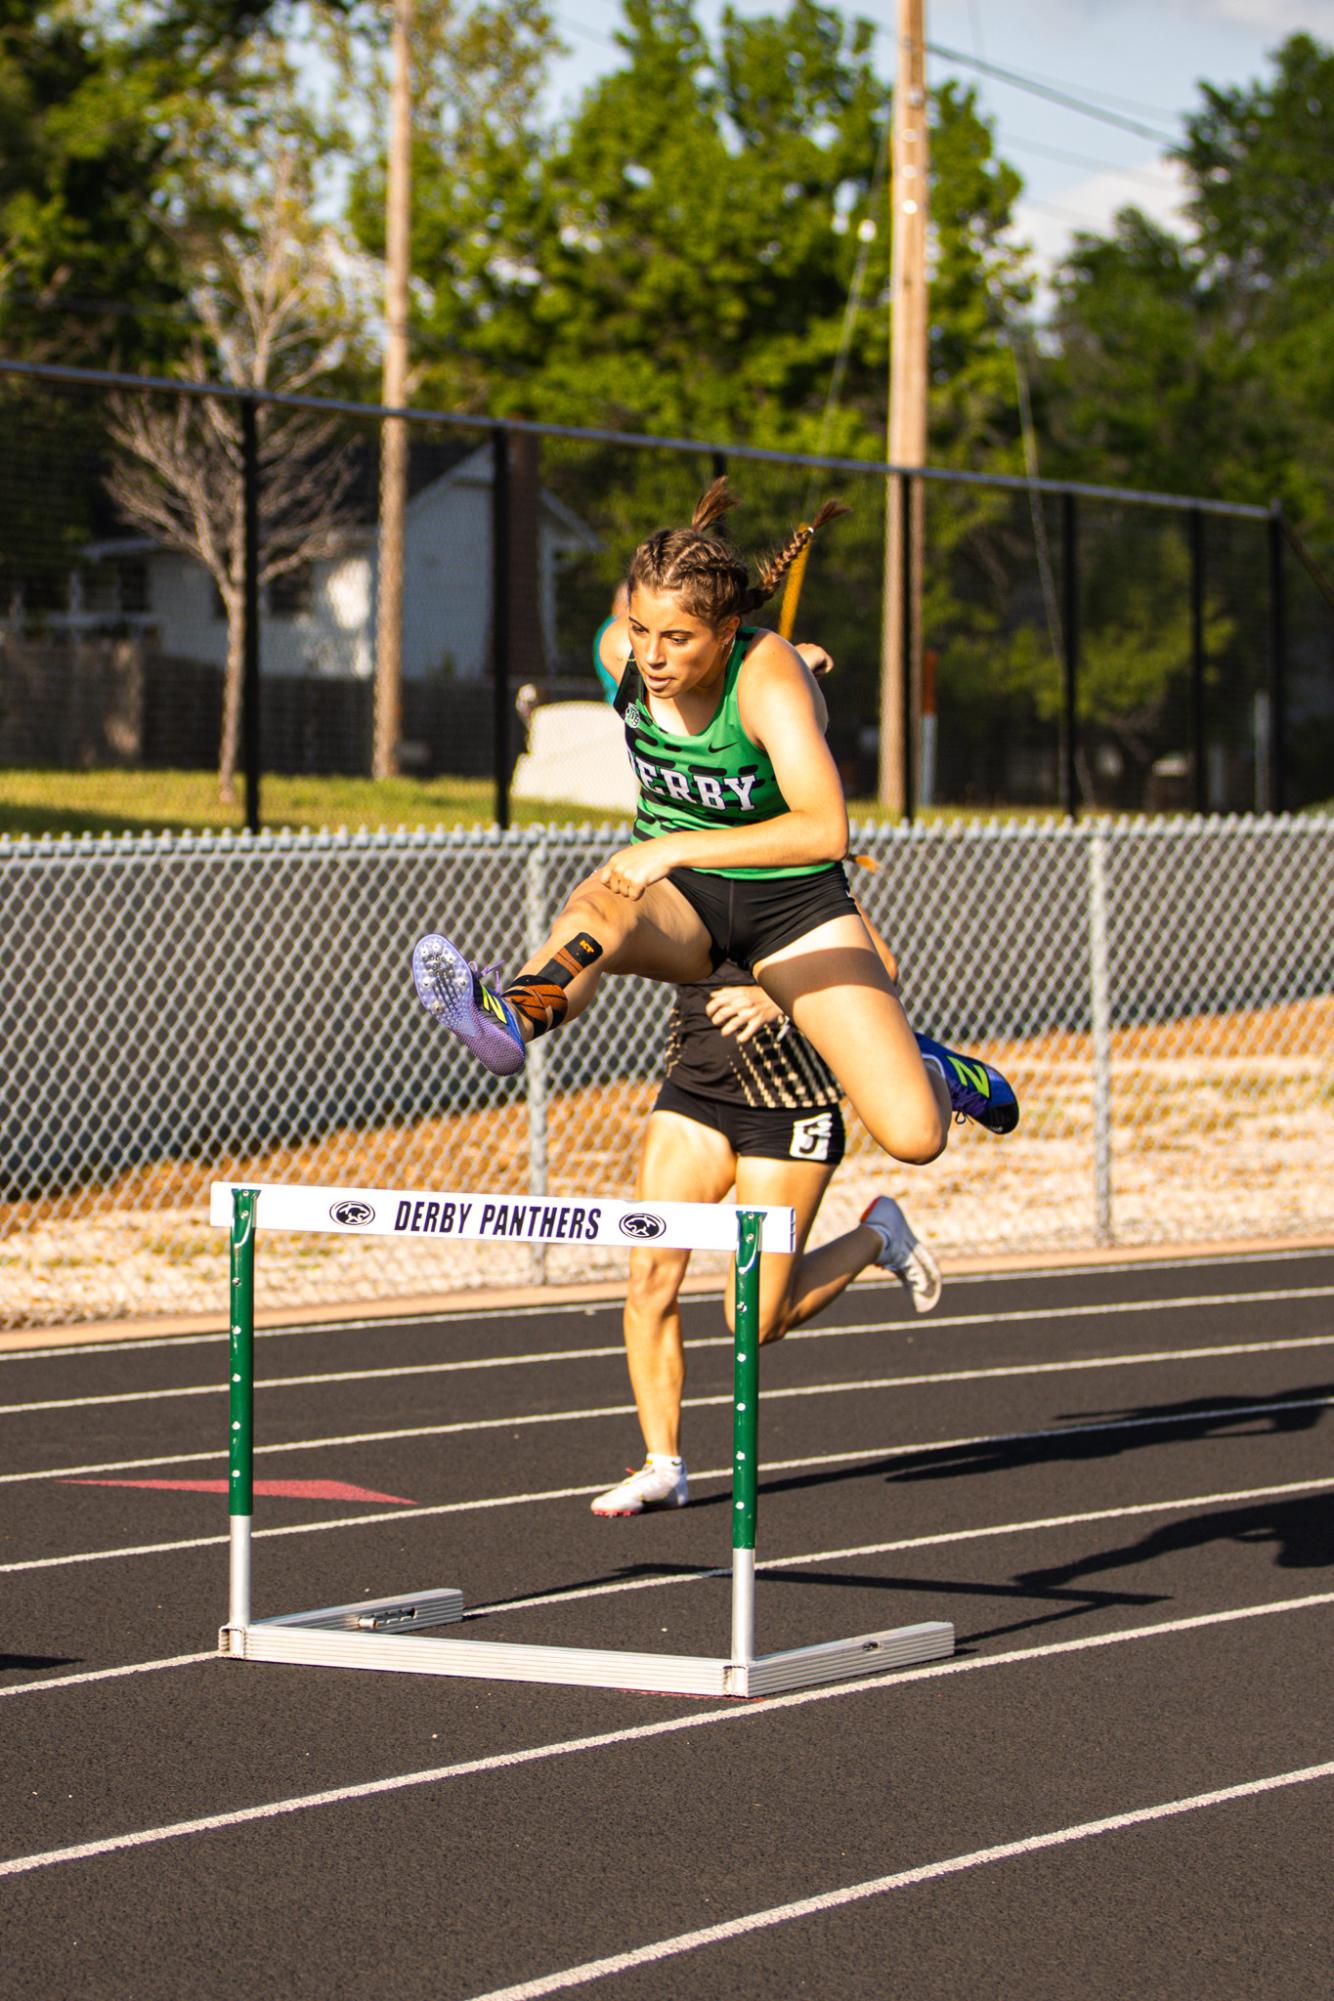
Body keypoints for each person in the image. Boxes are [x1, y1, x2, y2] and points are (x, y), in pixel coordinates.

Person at [412, 477, 1018, 1170]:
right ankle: (510, 1014)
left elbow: (826, 830)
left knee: (914, 1136)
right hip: (685, 901)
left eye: (677, 638)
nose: (653, 656)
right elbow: (647, 632)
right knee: (599, 907)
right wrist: (669, 858)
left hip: (791, 905)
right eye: (642, 630)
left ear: (728, 633)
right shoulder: (623, 653)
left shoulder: (767, 679)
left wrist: (673, 844)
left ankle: (936, 1067)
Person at [589, 952, 942, 1514]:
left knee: (753, 1320)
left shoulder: (798, 877)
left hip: (790, 1110)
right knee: (649, 1276)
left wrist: (778, 997)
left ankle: (878, 1234)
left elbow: (882, 965)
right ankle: (663, 1465)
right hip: (695, 1097)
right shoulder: (681, 872)